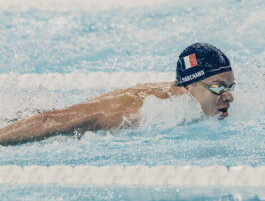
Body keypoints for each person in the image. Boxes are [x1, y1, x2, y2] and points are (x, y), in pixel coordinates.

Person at [0, 43, 235, 146]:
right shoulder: (142, 110)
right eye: (218, 87)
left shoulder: (188, 96)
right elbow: (50, 120)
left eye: (230, 87)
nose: (229, 97)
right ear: (187, 86)